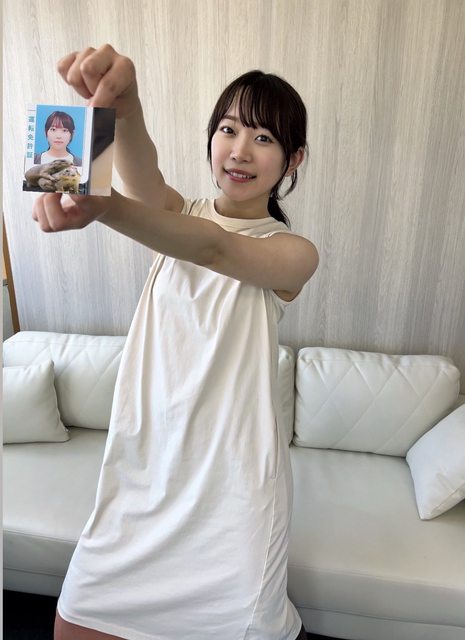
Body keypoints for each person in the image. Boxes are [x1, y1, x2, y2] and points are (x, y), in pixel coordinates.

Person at [33, 44, 318, 640]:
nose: (239, 150)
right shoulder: (176, 213)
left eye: (264, 138)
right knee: (76, 620)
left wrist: (103, 207)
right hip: (145, 467)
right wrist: (126, 101)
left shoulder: (292, 254)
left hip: (232, 489)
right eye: (228, 129)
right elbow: (145, 178)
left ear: (293, 159)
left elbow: (213, 248)